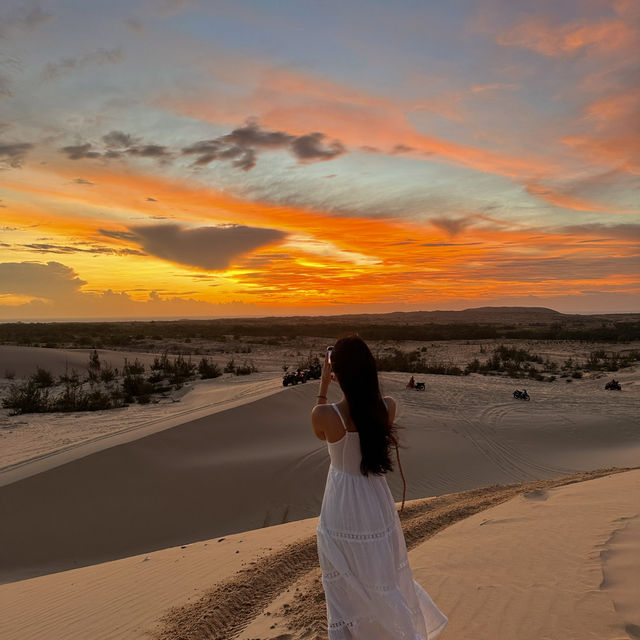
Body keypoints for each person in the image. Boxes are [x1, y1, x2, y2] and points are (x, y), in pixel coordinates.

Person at [311, 335, 448, 639]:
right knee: (382, 576)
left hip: (341, 505)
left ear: (336, 373)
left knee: (343, 586)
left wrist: (323, 387)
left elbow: (320, 432)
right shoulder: (388, 407)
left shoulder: (324, 414)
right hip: (375, 500)